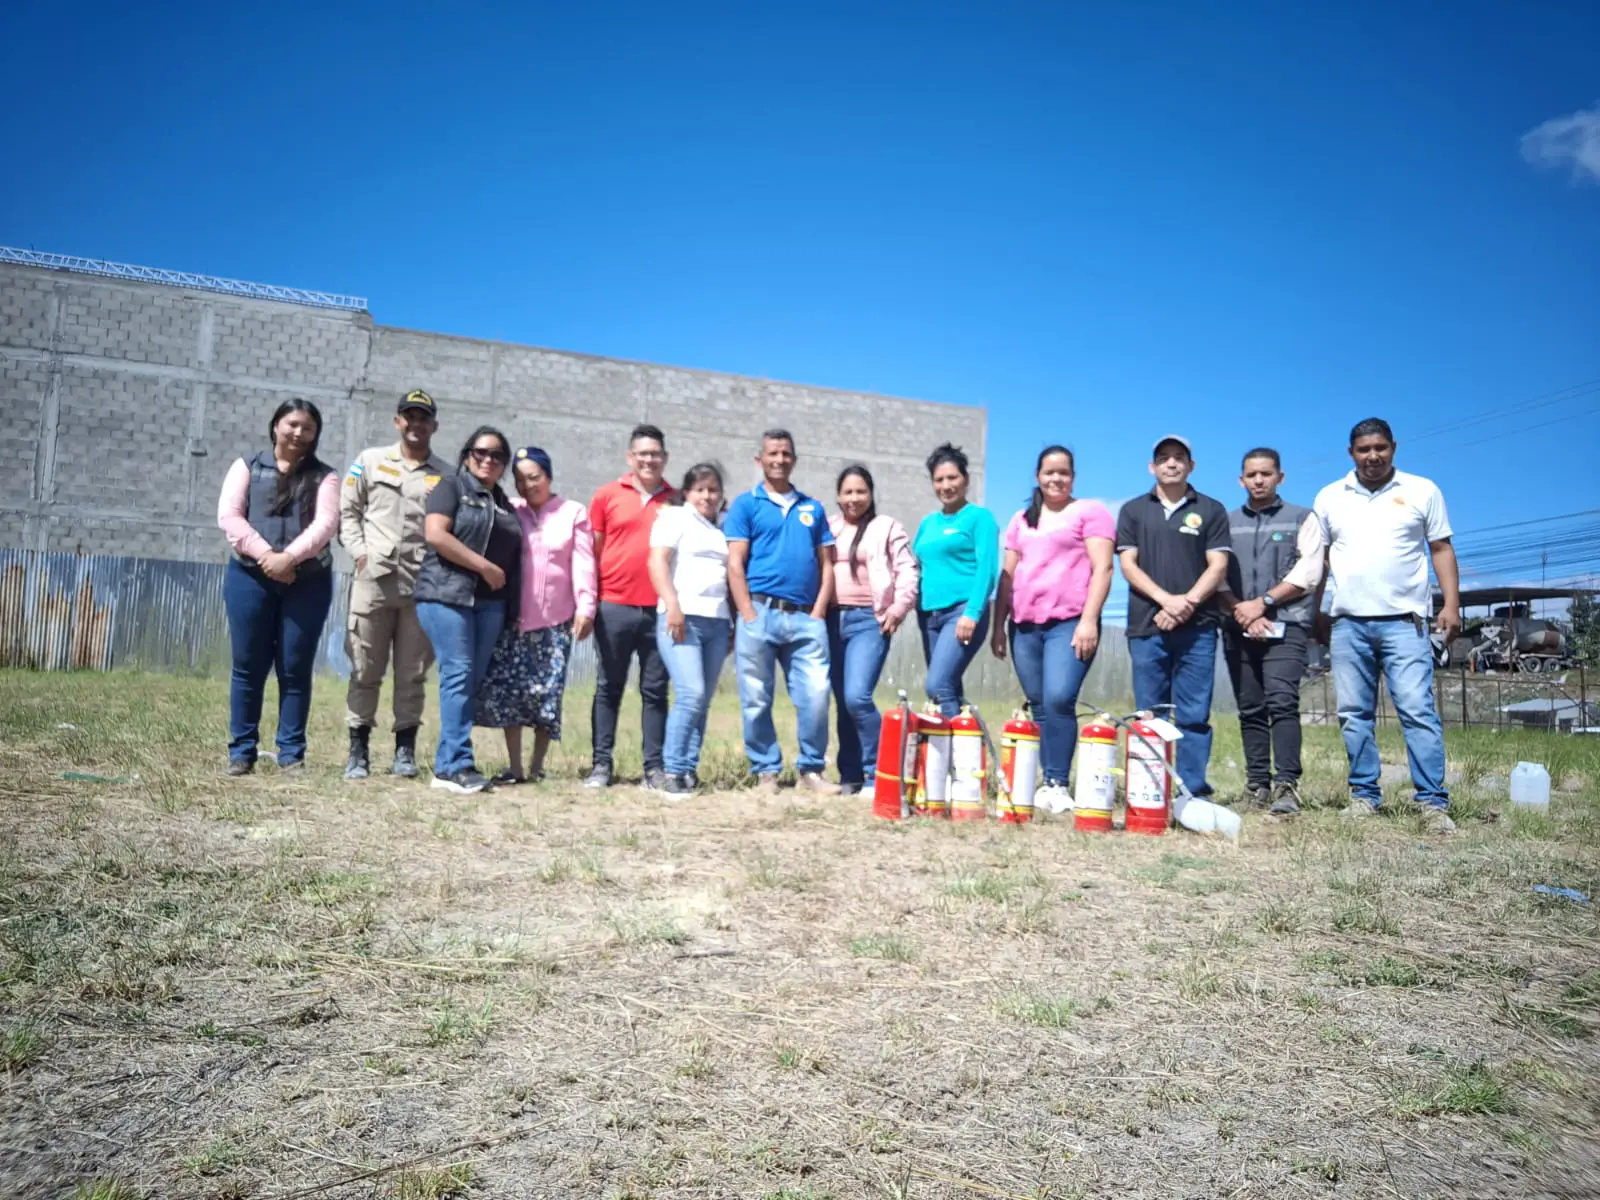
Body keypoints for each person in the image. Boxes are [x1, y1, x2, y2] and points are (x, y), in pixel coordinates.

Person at [1313, 418, 1461, 833]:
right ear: (1351, 453)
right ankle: (1364, 796)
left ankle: (1432, 803)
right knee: (1353, 714)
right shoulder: (1329, 497)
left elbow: (1441, 548)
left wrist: (1451, 603)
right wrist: (1315, 612)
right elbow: (1319, 561)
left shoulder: (1422, 490)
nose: (1372, 456)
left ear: (1393, 448)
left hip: (1405, 623)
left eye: (1380, 448)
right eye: (1364, 450)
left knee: (1417, 711)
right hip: (1347, 625)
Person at [216, 398, 340, 775]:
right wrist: (268, 556)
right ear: (275, 426)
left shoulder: (326, 477)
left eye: (307, 427)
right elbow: (229, 516)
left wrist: (290, 559)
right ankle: (241, 752)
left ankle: (291, 755)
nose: (298, 433)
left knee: (294, 668)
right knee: (248, 667)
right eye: (292, 424)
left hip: (308, 583)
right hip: (249, 578)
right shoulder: (247, 466)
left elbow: (325, 525)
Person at [991, 446, 1115, 812]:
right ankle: (1043, 782)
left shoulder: (1091, 513)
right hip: (1025, 625)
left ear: (1073, 476)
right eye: (1049, 472)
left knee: (1060, 698)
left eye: (1063, 472)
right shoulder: (1021, 519)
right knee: (1040, 705)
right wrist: (999, 626)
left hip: (1070, 621)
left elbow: (1103, 568)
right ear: (1037, 476)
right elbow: (1007, 575)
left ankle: (1058, 783)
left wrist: (1089, 619)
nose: (1056, 478)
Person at [338, 389, 452, 780]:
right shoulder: (369, 462)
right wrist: (359, 552)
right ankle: (358, 751)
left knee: (412, 673)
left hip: (421, 587)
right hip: (374, 582)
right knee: (364, 667)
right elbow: (348, 512)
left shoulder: (446, 474)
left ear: (434, 425)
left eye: (424, 418)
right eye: (409, 416)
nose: (416, 424)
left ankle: (404, 752)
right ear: (397, 421)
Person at [1115, 435, 1231, 799]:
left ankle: (1190, 790)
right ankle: (1149, 790)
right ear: (1152, 467)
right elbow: (1128, 565)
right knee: (1150, 715)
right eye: (1163, 458)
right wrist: (1166, 601)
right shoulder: (1133, 510)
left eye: (1179, 458)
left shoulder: (1211, 509)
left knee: (1194, 713)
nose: (1171, 463)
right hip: (1146, 625)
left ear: (1191, 466)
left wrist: (1187, 603)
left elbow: (1218, 565)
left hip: (1198, 628)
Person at [725, 429, 839, 794]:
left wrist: (819, 612)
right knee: (756, 698)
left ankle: (811, 772)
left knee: (817, 695)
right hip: (760, 614)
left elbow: (827, 565)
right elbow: (735, 564)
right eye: (772, 453)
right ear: (760, 459)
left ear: (794, 459)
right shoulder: (746, 504)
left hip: (805, 619)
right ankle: (766, 772)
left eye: (786, 453)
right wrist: (747, 612)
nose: (779, 459)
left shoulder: (813, 508)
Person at [476, 446, 596, 785]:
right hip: (514, 619)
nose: (529, 486)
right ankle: (514, 768)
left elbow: (584, 563)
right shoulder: (510, 510)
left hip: (555, 622)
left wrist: (586, 606)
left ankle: (537, 766)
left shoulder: (573, 513)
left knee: (547, 693)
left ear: (548, 476)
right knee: (513, 694)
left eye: (535, 477)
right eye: (521, 480)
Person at [1215, 448, 1325, 816]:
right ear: (1240, 480)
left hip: (1287, 625)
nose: (1258, 480)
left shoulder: (1302, 518)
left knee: (1281, 702)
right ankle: (1256, 785)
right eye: (1251, 474)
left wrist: (1261, 604)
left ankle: (1287, 785)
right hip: (1237, 624)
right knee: (1250, 708)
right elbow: (1214, 573)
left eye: (1266, 473)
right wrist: (1242, 612)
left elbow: (1309, 573)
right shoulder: (1225, 521)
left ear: (1280, 476)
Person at [413, 427, 522, 795]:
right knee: (458, 673)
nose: (488, 460)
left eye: (497, 456)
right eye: (481, 452)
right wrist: (484, 568)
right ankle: (458, 764)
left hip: (489, 604)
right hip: (446, 595)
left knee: (470, 681)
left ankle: (446, 767)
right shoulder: (450, 487)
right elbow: (436, 535)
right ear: (466, 455)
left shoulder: (504, 503)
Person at [586, 424, 677, 790]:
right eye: (642, 453)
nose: (649, 460)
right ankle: (600, 765)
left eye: (655, 453)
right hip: (614, 607)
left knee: (655, 690)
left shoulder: (678, 499)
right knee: (609, 687)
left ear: (665, 458)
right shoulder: (607, 495)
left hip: (658, 610)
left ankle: (653, 768)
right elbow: (592, 552)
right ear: (630, 457)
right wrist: (590, 602)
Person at [827, 465, 919, 794]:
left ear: (871, 494)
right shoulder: (830, 527)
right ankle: (849, 775)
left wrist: (898, 608)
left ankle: (878, 774)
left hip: (870, 620)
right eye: (848, 492)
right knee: (842, 700)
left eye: (860, 491)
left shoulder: (886, 527)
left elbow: (908, 570)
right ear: (838, 496)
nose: (854, 498)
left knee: (857, 696)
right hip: (830, 621)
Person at [649, 463, 732, 798]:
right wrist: (672, 605)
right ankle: (671, 771)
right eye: (700, 489)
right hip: (681, 618)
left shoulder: (721, 529)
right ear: (687, 492)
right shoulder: (675, 518)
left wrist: (733, 627)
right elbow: (657, 562)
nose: (707, 496)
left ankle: (688, 770)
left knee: (703, 700)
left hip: (717, 620)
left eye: (712, 489)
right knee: (690, 693)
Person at [912, 443, 1000, 718]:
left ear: (966, 480)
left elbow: (987, 570)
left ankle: (956, 755)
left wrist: (972, 613)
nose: (946, 485)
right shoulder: (928, 523)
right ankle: (961, 752)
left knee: (937, 686)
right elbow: (916, 564)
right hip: (929, 615)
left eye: (953, 478)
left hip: (962, 612)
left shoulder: (979, 518)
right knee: (948, 687)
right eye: (939, 479)